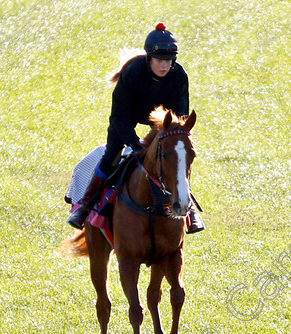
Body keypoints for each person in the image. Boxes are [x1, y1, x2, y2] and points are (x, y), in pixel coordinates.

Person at [67, 22, 205, 233]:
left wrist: (172, 137)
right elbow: (119, 116)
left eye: (168, 61)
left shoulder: (179, 76)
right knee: (112, 155)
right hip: (127, 116)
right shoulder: (132, 73)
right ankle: (85, 206)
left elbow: (179, 117)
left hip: (163, 119)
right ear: (149, 58)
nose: (164, 66)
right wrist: (134, 142)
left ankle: (190, 210)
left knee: (177, 157)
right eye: (159, 60)